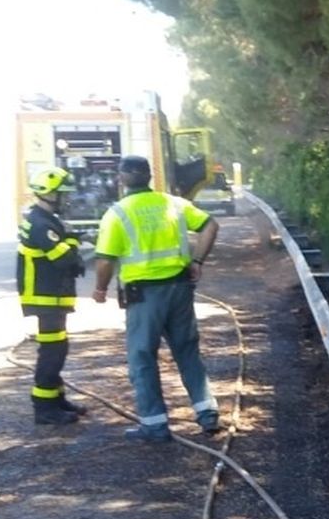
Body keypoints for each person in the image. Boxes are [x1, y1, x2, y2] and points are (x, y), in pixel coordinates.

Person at [92, 155, 222, 442]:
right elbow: (210, 226)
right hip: (179, 289)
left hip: (144, 296)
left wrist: (100, 289)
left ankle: (154, 425)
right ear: (150, 176)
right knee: (187, 351)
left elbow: (104, 261)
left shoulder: (118, 213)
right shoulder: (174, 203)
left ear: (122, 178)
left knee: (142, 358)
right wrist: (197, 260)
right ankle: (207, 414)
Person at [17, 167, 89, 425]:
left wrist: (71, 237)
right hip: (45, 297)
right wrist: (73, 241)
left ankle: (56, 399)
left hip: (51, 296)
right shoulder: (40, 223)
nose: (66, 199)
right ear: (49, 193)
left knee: (57, 347)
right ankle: (44, 408)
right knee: (52, 351)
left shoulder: (46, 220)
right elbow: (63, 259)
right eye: (62, 193)